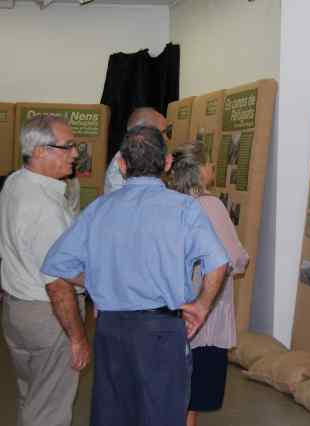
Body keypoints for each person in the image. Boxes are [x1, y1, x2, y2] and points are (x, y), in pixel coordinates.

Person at [42, 126, 229, 426]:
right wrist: (202, 305)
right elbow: (219, 261)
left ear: (121, 164)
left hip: (111, 331)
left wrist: (97, 282)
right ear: (167, 163)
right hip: (162, 332)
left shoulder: (99, 209)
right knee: (163, 416)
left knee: (113, 415)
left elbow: (57, 264)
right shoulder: (184, 209)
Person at [0, 115, 87, 426]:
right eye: (67, 146)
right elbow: (58, 284)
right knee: (49, 410)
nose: (75, 154)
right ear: (39, 151)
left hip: (18, 311)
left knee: (33, 396)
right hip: (50, 316)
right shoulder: (45, 209)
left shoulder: (15, 182)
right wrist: (77, 337)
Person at [169, 142, 249, 426]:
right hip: (205, 315)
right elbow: (233, 258)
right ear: (199, 170)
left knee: (174, 394)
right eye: (209, 162)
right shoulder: (210, 205)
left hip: (173, 311)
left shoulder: (169, 202)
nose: (213, 167)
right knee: (192, 400)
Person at [103, 107, 170, 194]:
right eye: (163, 132)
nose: (166, 138)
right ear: (141, 134)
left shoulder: (140, 155)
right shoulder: (120, 168)